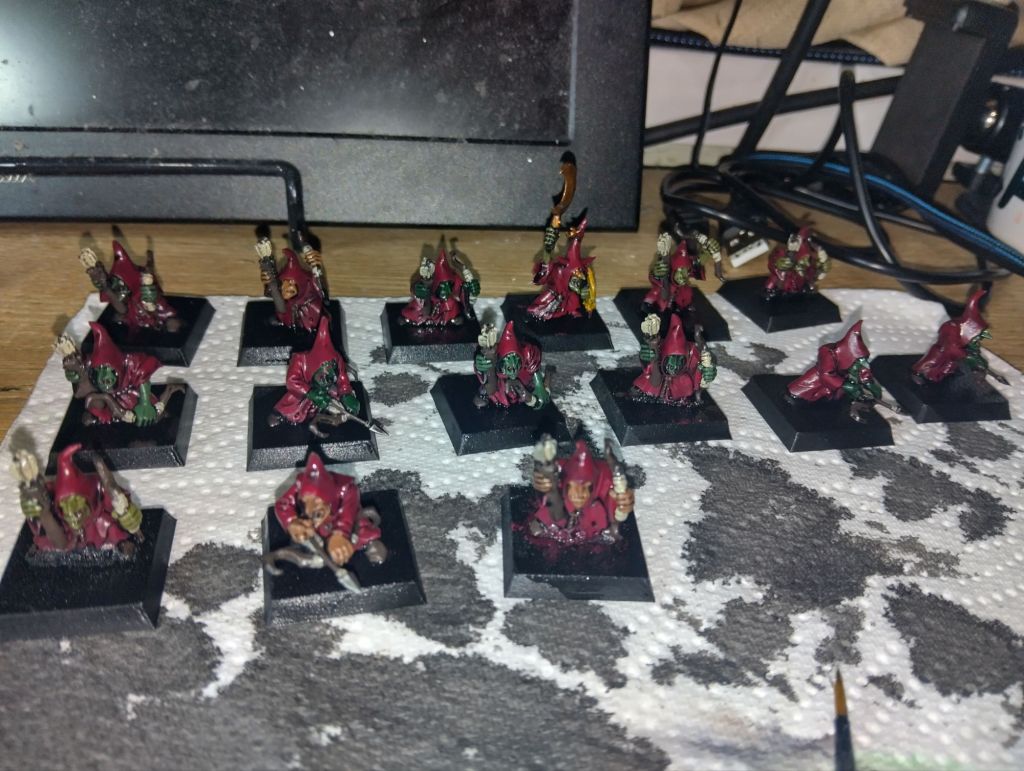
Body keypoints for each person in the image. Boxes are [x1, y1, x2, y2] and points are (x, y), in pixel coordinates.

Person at [15, 444, 142, 554]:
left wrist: (126, 512)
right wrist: (42, 513)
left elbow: (116, 500)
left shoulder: (99, 495)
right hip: (65, 541)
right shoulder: (55, 510)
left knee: (107, 523)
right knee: (49, 538)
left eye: (77, 511)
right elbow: (59, 541)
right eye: (67, 512)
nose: (73, 517)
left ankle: (121, 543)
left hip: (97, 534)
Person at [272, 452, 387, 569]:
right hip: (318, 528)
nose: (310, 505)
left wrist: (339, 535)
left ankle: (371, 543)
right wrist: (291, 521)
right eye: (305, 499)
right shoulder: (300, 484)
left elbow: (347, 516)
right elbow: (283, 504)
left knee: (361, 530)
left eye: (316, 501)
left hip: (345, 522)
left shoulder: (348, 490)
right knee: (307, 538)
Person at [528, 439, 635, 545]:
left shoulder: (604, 489)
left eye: (586, 487)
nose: (579, 494)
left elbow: (616, 508)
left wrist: (622, 504)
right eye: (574, 486)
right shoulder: (556, 491)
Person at [269, 316, 360, 438]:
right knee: (291, 414)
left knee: (342, 411)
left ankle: (318, 420)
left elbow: (342, 379)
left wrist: (346, 394)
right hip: (305, 393)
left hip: (327, 393)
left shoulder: (337, 359)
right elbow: (292, 381)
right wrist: (311, 392)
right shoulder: (300, 360)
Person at [80, 241, 181, 332]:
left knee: (122, 305)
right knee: (142, 294)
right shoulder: (164, 310)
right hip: (138, 292)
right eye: (174, 326)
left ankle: (103, 283)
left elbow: (130, 319)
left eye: (171, 328)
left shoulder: (151, 322)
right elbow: (154, 298)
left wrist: (121, 319)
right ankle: (104, 281)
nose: (172, 326)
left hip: (129, 301)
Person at [631, 312, 717, 405]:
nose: (674, 367)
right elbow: (654, 381)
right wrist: (653, 353)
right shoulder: (658, 355)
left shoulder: (690, 359)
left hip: (680, 383)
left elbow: (704, 364)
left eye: (679, 360)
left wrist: (707, 371)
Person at [526, 216, 596, 321]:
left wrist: (588, 304)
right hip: (553, 291)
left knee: (572, 300)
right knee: (536, 307)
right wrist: (552, 232)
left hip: (568, 295)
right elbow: (546, 259)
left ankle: (570, 311)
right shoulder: (558, 266)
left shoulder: (579, 270)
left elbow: (584, 288)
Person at [473, 321, 549, 409]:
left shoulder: (529, 357)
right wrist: (483, 362)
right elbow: (490, 386)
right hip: (501, 383)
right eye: (509, 369)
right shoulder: (496, 362)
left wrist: (529, 398)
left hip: (522, 380)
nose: (512, 376)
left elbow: (542, 398)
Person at [399, 244, 479, 326]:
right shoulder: (429, 283)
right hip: (427, 304)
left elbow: (466, 298)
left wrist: (471, 293)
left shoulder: (453, 282)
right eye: (442, 285)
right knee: (417, 308)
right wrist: (420, 289)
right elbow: (415, 287)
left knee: (452, 306)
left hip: (445, 310)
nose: (445, 288)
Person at [763, 227, 830, 298]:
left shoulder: (783, 278)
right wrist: (821, 251)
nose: (812, 284)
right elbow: (825, 267)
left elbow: (782, 267)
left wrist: (791, 250)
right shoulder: (812, 277)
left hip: (785, 254)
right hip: (801, 254)